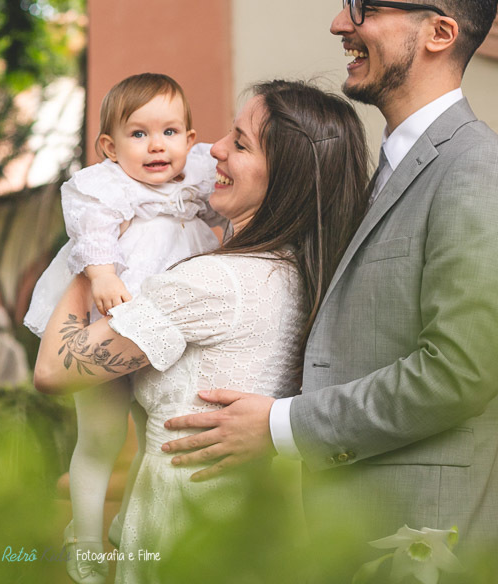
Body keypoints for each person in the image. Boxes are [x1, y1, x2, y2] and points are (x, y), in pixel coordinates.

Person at [160, 0, 498, 580]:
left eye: (364, 7)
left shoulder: (480, 171)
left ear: (438, 33)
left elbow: (459, 373)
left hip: (437, 545)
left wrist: (282, 427)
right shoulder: (389, 172)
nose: (341, 24)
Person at [35, 80, 369, 584]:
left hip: (181, 525)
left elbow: (52, 372)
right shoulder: (298, 273)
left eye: (240, 143)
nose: (212, 149)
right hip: (239, 521)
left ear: (283, 175)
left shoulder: (213, 282)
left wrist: (94, 261)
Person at [24, 72, 223, 584]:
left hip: (160, 329)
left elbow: (227, 212)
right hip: (109, 318)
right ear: (110, 148)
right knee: (102, 436)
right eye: (139, 134)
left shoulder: (197, 180)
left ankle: (123, 522)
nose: (157, 145)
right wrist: (103, 275)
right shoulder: (105, 187)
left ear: (190, 139)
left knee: (152, 428)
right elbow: (90, 237)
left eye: (170, 132)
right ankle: (86, 541)